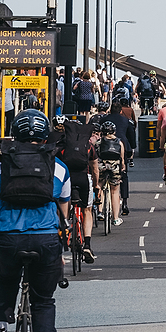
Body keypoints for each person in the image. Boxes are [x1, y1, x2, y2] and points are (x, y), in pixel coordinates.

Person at [0, 108, 69, 332]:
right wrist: (61, 246)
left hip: (8, 237)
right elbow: (63, 211)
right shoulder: (57, 166)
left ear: (14, 133)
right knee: (43, 299)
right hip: (45, 239)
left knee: (6, 280)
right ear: (45, 135)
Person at [55, 113, 98, 263]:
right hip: (83, 178)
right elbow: (95, 169)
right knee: (87, 209)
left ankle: (64, 232)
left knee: (63, 207)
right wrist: (97, 185)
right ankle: (87, 244)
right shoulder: (88, 147)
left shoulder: (63, 146)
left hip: (67, 179)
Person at [93, 115, 128, 227]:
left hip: (102, 166)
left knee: (100, 186)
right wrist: (122, 167)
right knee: (115, 191)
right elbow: (122, 159)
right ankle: (116, 218)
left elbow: (94, 156)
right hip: (114, 167)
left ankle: (99, 212)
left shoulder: (98, 142)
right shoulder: (119, 142)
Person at [106, 96, 136, 216]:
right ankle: (124, 203)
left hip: (105, 148)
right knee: (123, 176)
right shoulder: (125, 121)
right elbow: (131, 135)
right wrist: (132, 147)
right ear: (120, 111)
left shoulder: (105, 119)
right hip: (121, 148)